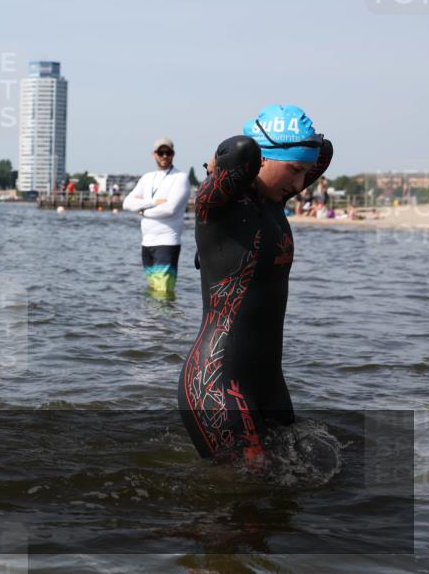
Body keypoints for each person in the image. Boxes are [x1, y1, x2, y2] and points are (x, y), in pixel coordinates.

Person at [178, 105, 333, 464]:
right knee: (243, 510)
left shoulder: (276, 200)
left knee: (281, 500)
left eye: (305, 173)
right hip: (216, 382)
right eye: (294, 171)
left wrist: (300, 159)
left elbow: (324, 152)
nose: (299, 185)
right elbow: (240, 150)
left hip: (268, 383)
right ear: (261, 160)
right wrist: (227, 162)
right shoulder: (217, 207)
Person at [122, 138, 191, 295]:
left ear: (173, 154)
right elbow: (127, 203)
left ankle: (165, 319)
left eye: (168, 152)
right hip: (147, 243)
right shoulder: (147, 178)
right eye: (161, 152)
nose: (164, 156)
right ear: (154, 154)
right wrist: (153, 202)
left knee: (163, 293)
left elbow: (170, 209)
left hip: (167, 242)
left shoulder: (180, 178)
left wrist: (144, 211)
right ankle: (151, 320)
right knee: (153, 290)